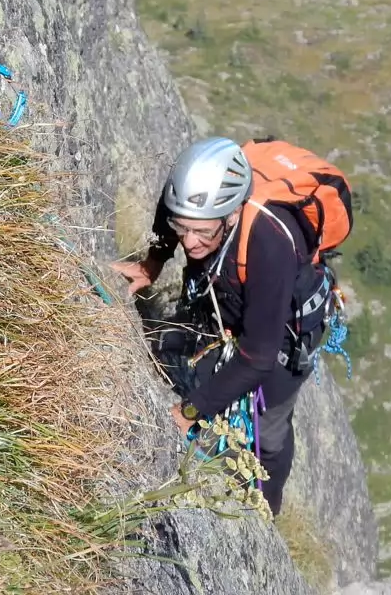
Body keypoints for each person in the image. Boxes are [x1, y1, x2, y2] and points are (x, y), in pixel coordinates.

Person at [111, 136, 332, 516]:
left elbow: (258, 358)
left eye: (202, 232)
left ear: (232, 214)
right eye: (183, 228)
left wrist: (188, 412)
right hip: (226, 298)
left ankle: (265, 508)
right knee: (181, 351)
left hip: (283, 335)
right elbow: (169, 215)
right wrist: (152, 264)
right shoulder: (193, 209)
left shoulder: (269, 244)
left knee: (269, 432)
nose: (190, 242)